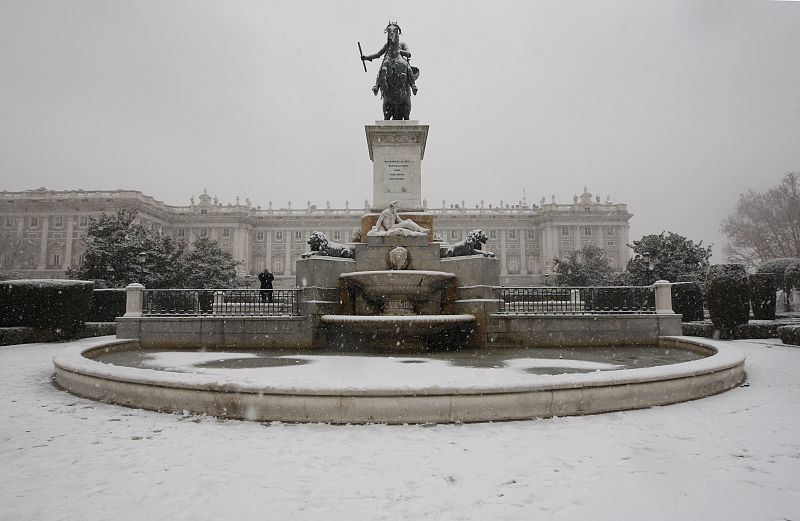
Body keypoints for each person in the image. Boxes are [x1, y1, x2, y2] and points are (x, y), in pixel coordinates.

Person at [362, 22, 418, 96]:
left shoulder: (402, 44)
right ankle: (376, 86)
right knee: (382, 67)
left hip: (400, 58)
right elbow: (378, 54)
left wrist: (398, 50)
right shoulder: (387, 45)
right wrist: (366, 57)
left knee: (406, 65)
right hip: (388, 59)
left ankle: (413, 85)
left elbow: (409, 54)